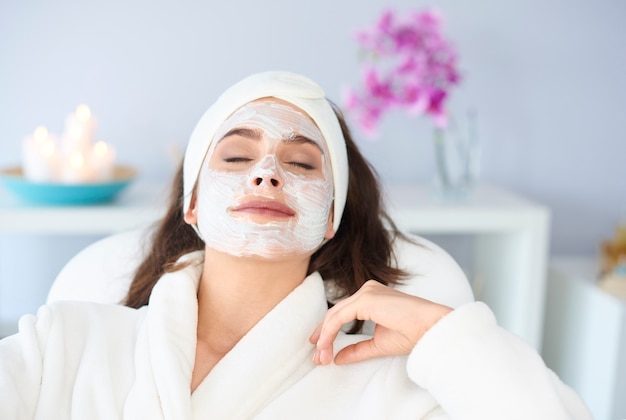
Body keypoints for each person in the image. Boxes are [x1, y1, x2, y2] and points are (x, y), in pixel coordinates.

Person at [0, 71, 591, 419]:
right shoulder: (65, 344)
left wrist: (449, 338)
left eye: (301, 163)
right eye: (236, 156)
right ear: (194, 205)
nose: (266, 173)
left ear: (330, 218)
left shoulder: (392, 387)